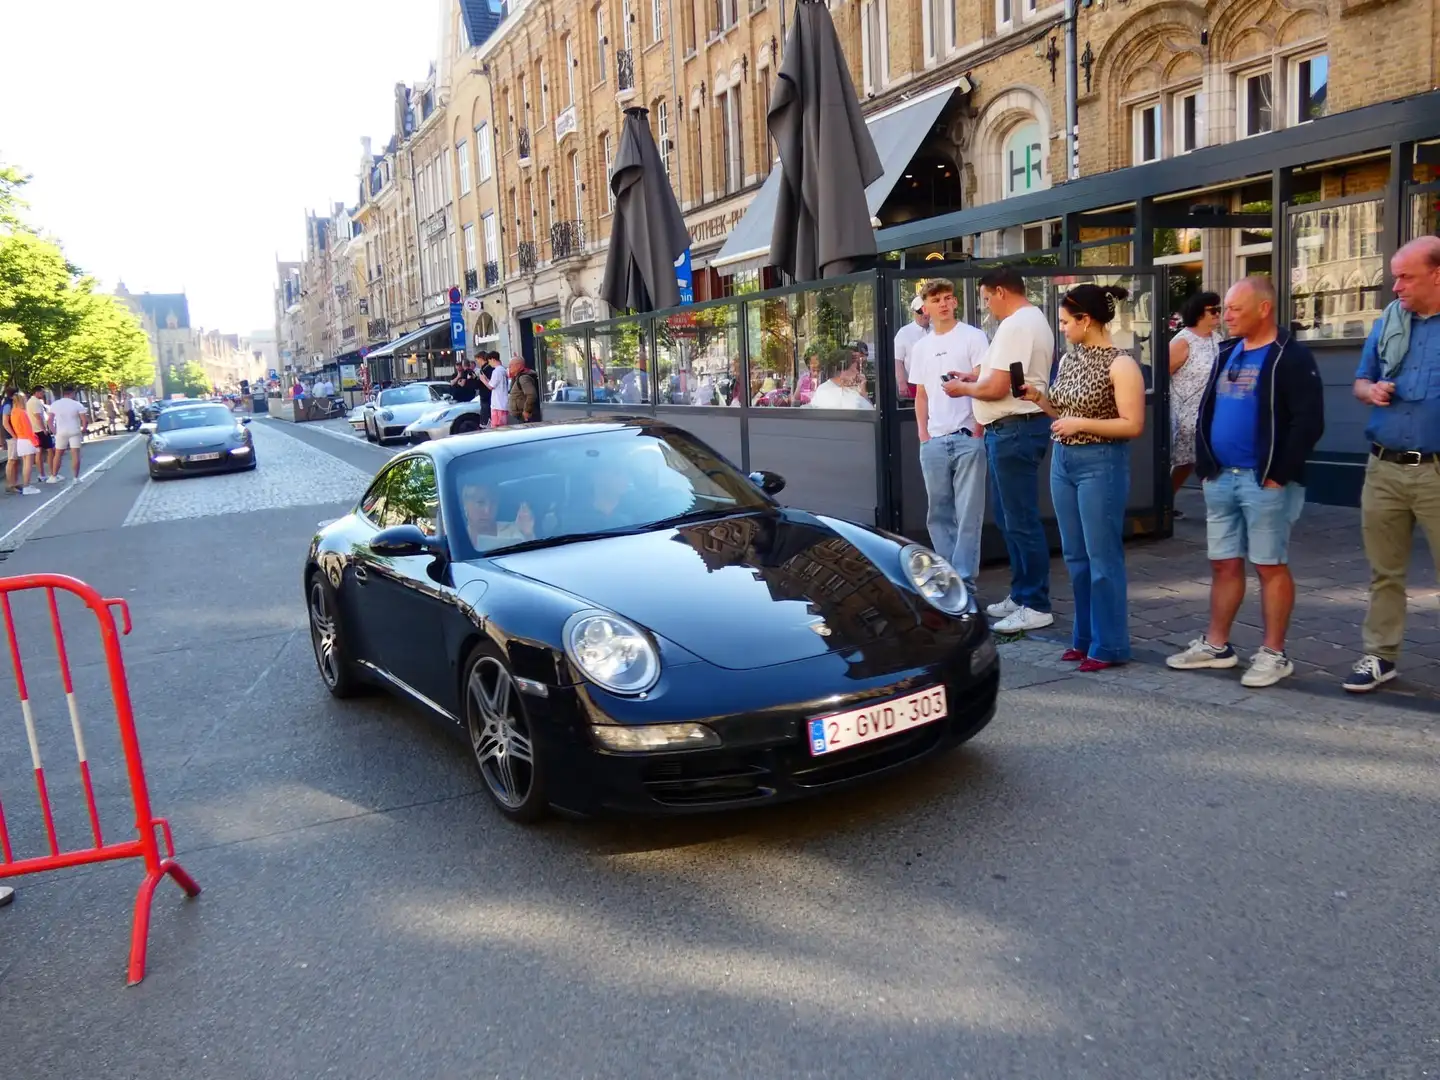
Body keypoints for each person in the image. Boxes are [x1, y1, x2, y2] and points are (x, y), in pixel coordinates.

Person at [1166, 275, 1325, 688]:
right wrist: (1206, 466)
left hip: (1264, 481)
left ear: (1264, 309)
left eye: (1235, 309)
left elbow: (1309, 422)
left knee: (1269, 564)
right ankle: (1217, 646)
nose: (1227, 316)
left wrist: (1278, 475)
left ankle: (1274, 654)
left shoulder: (1290, 356)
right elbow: (1208, 409)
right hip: (1221, 478)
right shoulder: (1227, 351)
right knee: (1223, 563)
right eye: (1225, 309)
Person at [1020, 285, 1146, 671]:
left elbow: (1133, 424)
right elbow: (1062, 411)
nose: (1062, 328)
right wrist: (1038, 398)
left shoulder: (1121, 364)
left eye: (1064, 322)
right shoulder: (1070, 359)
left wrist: (1080, 424)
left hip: (1100, 462)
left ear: (1085, 320)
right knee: (1075, 555)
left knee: (1102, 556)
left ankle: (1109, 645)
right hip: (1064, 460)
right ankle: (1084, 637)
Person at [1345, 235, 1440, 692]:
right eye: (1395, 277)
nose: (1396, 287)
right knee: (1385, 572)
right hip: (1383, 467)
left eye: (1406, 277)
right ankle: (1380, 656)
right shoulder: (1390, 321)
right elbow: (1360, 382)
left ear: (1437, 275)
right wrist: (1372, 391)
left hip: (1436, 470)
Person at [943, 266, 1057, 633]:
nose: (987, 306)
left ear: (1001, 292)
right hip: (1015, 427)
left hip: (1013, 428)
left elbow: (998, 388)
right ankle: (1023, 593)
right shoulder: (1032, 320)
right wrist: (973, 378)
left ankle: (1035, 602)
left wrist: (963, 389)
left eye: (987, 298)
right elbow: (1004, 377)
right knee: (1012, 518)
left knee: (1019, 519)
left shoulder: (1016, 325)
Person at [911, 278, 990, 588]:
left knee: (969, 514)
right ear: (925, 307)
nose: (943, 304)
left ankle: (965, 581)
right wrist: (923, 435)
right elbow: (921, 394)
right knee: (938, 513)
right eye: (936, 299)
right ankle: (949, 579)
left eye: (947, 297)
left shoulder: (973, 336)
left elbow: (984, 382)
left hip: (968, 435)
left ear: (955, 301)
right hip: (934, 439)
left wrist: (978, 428)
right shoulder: (921, 347)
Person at [1168, 291, 1224, 502]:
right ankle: (1164, 502)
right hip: (1186, 413)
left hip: (1211, 410)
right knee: (1185, 462)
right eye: (1213, 310)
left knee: (1203, 459)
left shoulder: (1218, 339)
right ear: (1199, 313)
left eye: (1219, 309)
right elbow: (1162, 375)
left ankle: (1217, 502)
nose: (1218, 314)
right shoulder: (1183, 342)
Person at [460, 480, 535, 548]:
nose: (487, 510)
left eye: (493, 503)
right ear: (465, 505)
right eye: (480, 503)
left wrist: (528, 535)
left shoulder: (514, 531)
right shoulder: (457, 541)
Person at [806, 347, 874, 410]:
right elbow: (871, 413)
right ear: (843, 370)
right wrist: (863, 393)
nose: (857, 372)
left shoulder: (821, 389)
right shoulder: (851, 396)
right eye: (855, 369)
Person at [893, 293, 931, 401]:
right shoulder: (904, 333)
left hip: (934, 383)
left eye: (927, 310)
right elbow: (898, 360)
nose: (924, 314)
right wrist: (901, 382)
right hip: (914, 384)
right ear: (914, 312)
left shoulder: (936, 330)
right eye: (920, 311)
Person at [48, 386, 88, 482]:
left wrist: (54, 431)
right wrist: (83, 429)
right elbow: (84, 420)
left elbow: (50, 420)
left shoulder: (55, 404)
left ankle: (53, 476)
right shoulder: (77, 404)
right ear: (72, 393)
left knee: (58, 454)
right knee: (75, 454)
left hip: (61, 431)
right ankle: (75, 477)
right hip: (74, 430)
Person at [8, 392, 41, 495]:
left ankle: (26, 485)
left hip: (20, 440)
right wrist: (36, 443)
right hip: (27, 440)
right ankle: (27, 486)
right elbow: (28, 430)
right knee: (28, 465)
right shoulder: (22, 413)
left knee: (25, 464)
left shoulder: (13, 412)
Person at [26, 386, 55, 483]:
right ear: (37, 392)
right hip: (40, 430)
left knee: (39, 451)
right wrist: (44, 429)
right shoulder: (35, 402)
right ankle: (52, 473)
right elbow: (38, 416)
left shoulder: (30, 402)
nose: (43, 394)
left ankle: (42, 474)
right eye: (42, 392)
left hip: (34, 430)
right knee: (50, 450)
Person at [508, 357, 542, 423]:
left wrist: (527, 411)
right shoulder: (517, 377)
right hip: (521, 416)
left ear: (518, 366)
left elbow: (531, 395)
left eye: (511, 365)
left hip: (526, 417)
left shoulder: (523, 378)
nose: (509, 367)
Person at [487, 354, 511, 427]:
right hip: (503, 403)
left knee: (497, 427)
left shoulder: (496, 371)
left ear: (493, 359)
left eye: (489, 361)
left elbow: (491, 386)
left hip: (497, 404)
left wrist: (483, 379)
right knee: (504, 426)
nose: (489, 363)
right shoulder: (503, 370)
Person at [2, 386, 18, 494]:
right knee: (11, 460)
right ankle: (10, 484)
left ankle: (13, 483)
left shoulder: (10, 403)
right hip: (11, 436)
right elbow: (5, 422)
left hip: (13, 435)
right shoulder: (8, 405)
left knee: (14, 460)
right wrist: (14, 435)